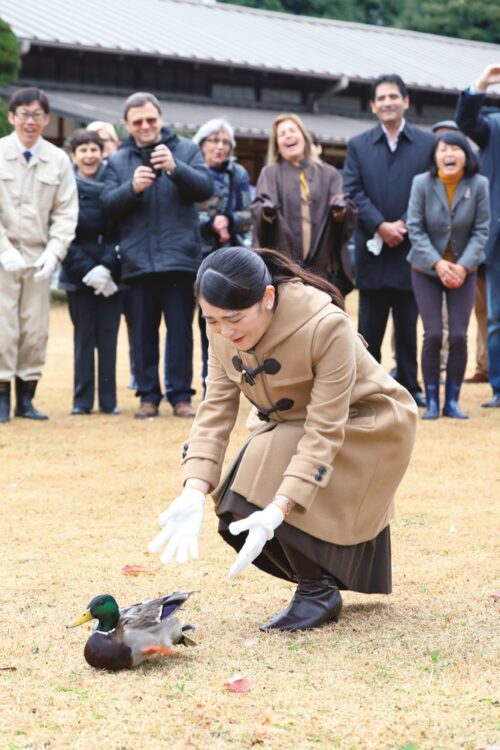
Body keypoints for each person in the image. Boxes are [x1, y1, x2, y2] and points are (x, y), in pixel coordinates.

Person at [148, 247, 418, 633]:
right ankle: (326, 573)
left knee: (261, 463)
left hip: (371, 421)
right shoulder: (221, 334)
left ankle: (317, 590)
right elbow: (215, 409)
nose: (225, 331)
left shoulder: (325, 324)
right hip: (298, 422)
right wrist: (193, 489)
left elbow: (325, 427)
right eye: (211, 320)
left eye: (234, 319)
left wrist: (279, 508)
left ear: (268, 298)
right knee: (234, 503)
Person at [101, 92, 213, 419]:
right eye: (138, 121)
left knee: (181, 332)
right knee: (142, 335)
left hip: (180, 258)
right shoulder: (118, 161)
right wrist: (131, 189)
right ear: (126, 125)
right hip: (137, 262)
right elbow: (106, 207)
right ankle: (148, 396)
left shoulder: (187, 150)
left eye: (151, 119)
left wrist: (176, 169)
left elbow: (206, 189)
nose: (146, 125)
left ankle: (181, 397)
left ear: (161, 118)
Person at [343, 74, 436, 407]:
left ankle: (410, 386)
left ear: (406, 101)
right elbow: (352, 191)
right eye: (380, 98)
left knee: (409, 325)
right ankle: (368, 388)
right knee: (370, 326)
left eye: (393, 96)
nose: (387, 102)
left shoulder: (427, 145)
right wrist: (381, 225)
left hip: (414, 249)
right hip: (372, 249)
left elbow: (433, 190)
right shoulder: (358, 145)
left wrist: (406, 225)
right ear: (372, 105)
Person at [0, 87, 78, 423]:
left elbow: (66, 212)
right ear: (11, 116)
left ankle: (27, 398)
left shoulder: (58, 160)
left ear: (46, 119)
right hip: (3, 255)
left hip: (39, 256)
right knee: (3, 327)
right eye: (23, 113)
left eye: (37, 115)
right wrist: (3, 249)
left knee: (34, 328)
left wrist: (55, 252)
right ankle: (1, 396)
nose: (30, 121)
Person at [407, 131, 490, 419]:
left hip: (465, 271)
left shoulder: (479, 184)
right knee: (432, 334)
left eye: (455, 148)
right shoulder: (421, 183)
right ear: (435, 155)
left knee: (458, 335)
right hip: (425, 269)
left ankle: (452, 401)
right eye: (443, 149)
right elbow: (414, 228)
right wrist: (439, 264)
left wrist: (463, 266)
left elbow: (482, 230)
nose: (449, 154)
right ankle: (431, 401)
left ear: (467, 155)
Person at [251, 113, 355, 296]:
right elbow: (259, 208)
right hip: (285, 267)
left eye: (293, 130)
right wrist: (267, 212)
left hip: (324, 267)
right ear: (277, 145)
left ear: (304, 137)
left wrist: (340, 210)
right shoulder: (270, 174)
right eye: (282, 134)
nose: (288, 136)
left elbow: (345, 213)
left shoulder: (329, 174)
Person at [59, 130, 122, 415]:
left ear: (102, 152)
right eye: (82, 150)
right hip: (78, 274)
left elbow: (123, 229)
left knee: (108, 339)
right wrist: (88, 270)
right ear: (74, 155)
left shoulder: (115, 185)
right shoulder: (64, 188)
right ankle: (82, 401)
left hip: (111, 275)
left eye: (94, 149)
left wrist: (107, 267)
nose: (89, 155)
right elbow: (61, 233)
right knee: (84, 339)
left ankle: (108, 401)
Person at [191, 118, 252, 392]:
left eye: (225, 142)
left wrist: (229, 220)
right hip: (193, 256)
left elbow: (248, 214)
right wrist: (208, 223)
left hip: (228, 259)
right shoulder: (192, 172)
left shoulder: (237, 173)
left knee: (230, 321)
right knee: (203, 323)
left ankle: (236, 383)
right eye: (213, 141)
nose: (219, 147)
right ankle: (208, 384)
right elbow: (183, 215)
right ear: (202, 144)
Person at [455, 63, 500, 407]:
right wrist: (481, 83)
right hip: (497, 243)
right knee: (496, 317)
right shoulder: (494, 126)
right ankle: (499, 387)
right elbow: (466, 123)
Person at [87, 120, 137, 390]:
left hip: (126, 257)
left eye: (103, 140)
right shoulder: (83, 175)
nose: (97, 145)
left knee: (134, 318)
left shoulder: (122, 171)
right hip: (95, 261)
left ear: (115, 143)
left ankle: (137, 371)